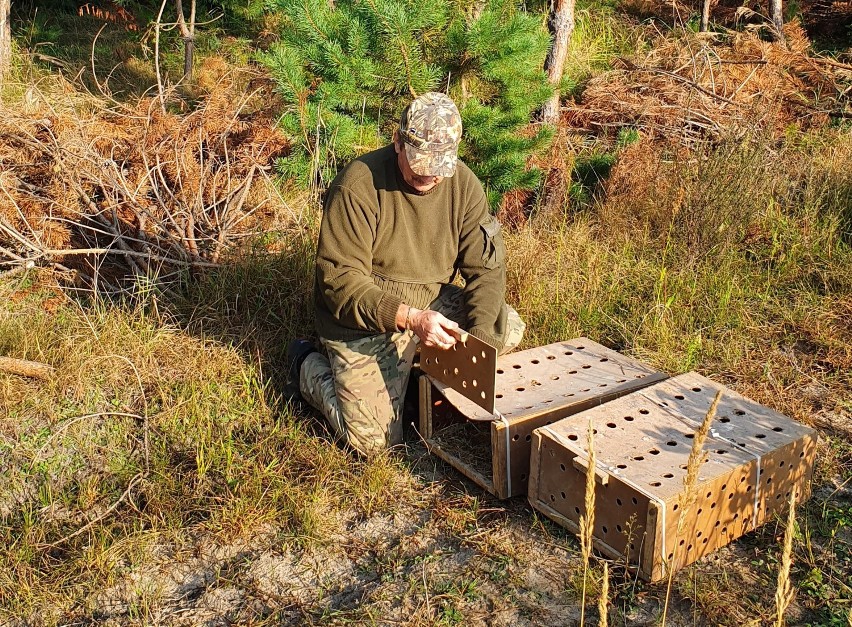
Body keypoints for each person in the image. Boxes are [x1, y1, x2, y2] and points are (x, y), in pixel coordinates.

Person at [287, 92, 525, 456]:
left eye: (438, 167)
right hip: (363, 322)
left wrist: (478, 348)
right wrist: (410, 320)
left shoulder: (463, 185)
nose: (427, 175)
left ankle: (415, 370)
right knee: (374, 444)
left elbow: (487, 270)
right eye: (419, 163)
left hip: (428, 305)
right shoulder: (358, 185)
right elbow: (339, 283)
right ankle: (307, 365)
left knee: (505, 325)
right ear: (397, 141)